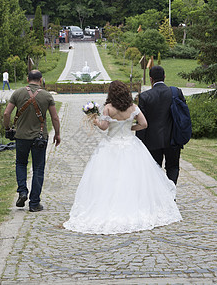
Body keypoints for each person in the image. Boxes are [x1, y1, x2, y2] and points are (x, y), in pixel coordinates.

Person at [63, 81, 181, 235]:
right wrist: (131, 128)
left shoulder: (108, 108)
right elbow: (144, 124)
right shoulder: (133, 107)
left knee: (108, 179)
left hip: (110, 145)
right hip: (131, 145)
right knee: (133, 177)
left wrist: (96, 121)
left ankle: (109, 205)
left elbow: (105, 127)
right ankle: (135, 204)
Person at [3, 70, 61, 212]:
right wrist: (57, 134)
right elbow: (54, 117)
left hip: (21, 136)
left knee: (21, 163)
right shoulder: (47, 95)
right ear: (41, 80)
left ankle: (22, 192)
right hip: (40, 137)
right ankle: (34, 203)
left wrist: (7, 128)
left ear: (28, 79)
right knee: (38, 169)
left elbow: (6, 113)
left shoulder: (17, 93)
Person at [136, 65, 187, 185]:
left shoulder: (145, 96)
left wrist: (139, 143)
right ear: (164, 76)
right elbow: (182, 116)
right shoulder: (176, 92)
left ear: (150, 79)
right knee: (173, 167)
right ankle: (171, 194)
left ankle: (158, 196)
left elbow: (141, 122)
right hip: (173, 138)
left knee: (155, 169)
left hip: (152, 140)